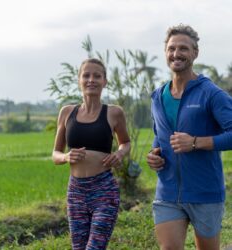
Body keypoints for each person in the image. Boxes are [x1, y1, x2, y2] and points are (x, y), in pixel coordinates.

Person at [146, 24, 232, 250]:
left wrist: (195, 142)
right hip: (168, 193)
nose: (177, 54)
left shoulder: (212, 94)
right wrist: (154, 155)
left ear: (195, 53)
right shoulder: (157, 96)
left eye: (183, 48)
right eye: (172, 48)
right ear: (166, 52)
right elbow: (160, 137)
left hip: (205, 192)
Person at [52, 58, 130, 250]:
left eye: (97, 76)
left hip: (104, 190)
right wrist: (66, 157)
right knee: (78, 247)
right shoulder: (66, 112)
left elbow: (125, 143)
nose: (91, 80)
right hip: (76, 191)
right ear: (79, 80)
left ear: (105, 81)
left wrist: (119, 155)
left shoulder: (114, 113)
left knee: (94, 247)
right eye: (86, 75)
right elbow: (55, 153)